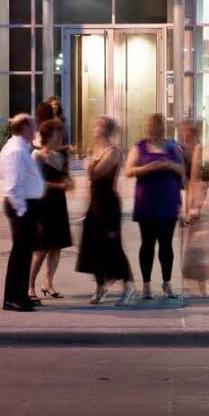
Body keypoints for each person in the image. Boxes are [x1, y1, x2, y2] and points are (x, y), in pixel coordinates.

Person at [125, 112, 187, 300]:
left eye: (158, 125)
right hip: (147, 202)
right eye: (152, 125)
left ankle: (167, 283)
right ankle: (146, 285)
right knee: (147, 244)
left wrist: (169, 165)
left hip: (168, 201)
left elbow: (183, 171)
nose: (154, 129)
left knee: (166, 244)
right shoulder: (139, 147)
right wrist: (147, 169)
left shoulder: (172, 147)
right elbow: (128, 170)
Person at [74, 116, 132, 304]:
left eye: (97, 126)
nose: (93, 129)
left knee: (112, 245)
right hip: (95, 202)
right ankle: (100, 287)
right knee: (92, 246)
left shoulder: (113, 152)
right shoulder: (95, 151)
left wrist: (90, 163)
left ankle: (128, 285)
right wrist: (85, 207)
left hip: (109, 204)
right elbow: (88, 180)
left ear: (106, 130)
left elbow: (96, 172)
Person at [0, 112, 45, 312]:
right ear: (24, 128)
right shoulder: (16, 151)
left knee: (24, 254)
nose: (36, 130)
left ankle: (21, 295)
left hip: (24, 205)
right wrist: (23, 211)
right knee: (20, 253)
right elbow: (13, 186)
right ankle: (13, 298)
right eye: (33, 126)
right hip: (21, 206)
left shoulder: (20, 147)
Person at [29, 115, 74, 299]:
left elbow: (64, 178)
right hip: (43, 206)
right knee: (41, 249)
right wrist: (59, 186)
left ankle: (48, 283)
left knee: (57, 247)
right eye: (58, 135)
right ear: (48, 137)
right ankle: (30, 286)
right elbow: (35, 183)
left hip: (58, 204)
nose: (61, 139)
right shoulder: (37, 156)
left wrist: (69, 182)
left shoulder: (59, 156)